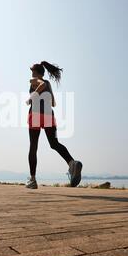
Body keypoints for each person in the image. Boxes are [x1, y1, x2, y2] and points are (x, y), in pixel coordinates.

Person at [25, 61, 83, 189]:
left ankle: (33, 180)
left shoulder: (34, 80)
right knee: (54, 144)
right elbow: (53, 104)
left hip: (35, 115)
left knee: (33, 146)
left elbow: (41, 84)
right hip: (48, 115)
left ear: (36, 72)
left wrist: (32, 97)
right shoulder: (49, 84)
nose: (31, 73)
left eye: (32, 71)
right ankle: (72, 163)